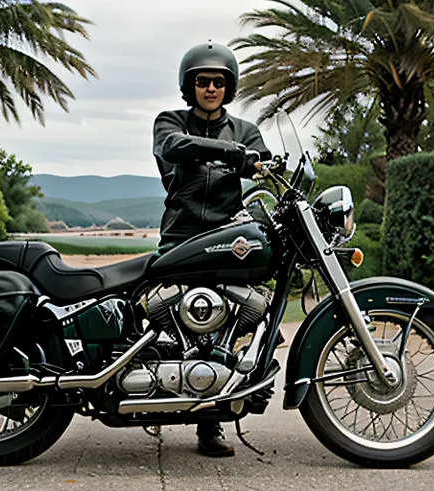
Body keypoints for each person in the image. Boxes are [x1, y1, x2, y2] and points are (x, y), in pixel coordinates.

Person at [151, 41, 272, 457]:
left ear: (229, 86)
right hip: (181, 236)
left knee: (221, 329)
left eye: (218, 82)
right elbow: (173, 147)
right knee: (171, 324)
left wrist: (261, 165)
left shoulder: (246, 131)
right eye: (202, 81)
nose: (210, 88)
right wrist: (231, 154)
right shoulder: (170, 121)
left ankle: (210, 422)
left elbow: (264, 167)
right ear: (190, 86)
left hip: (226, 239)